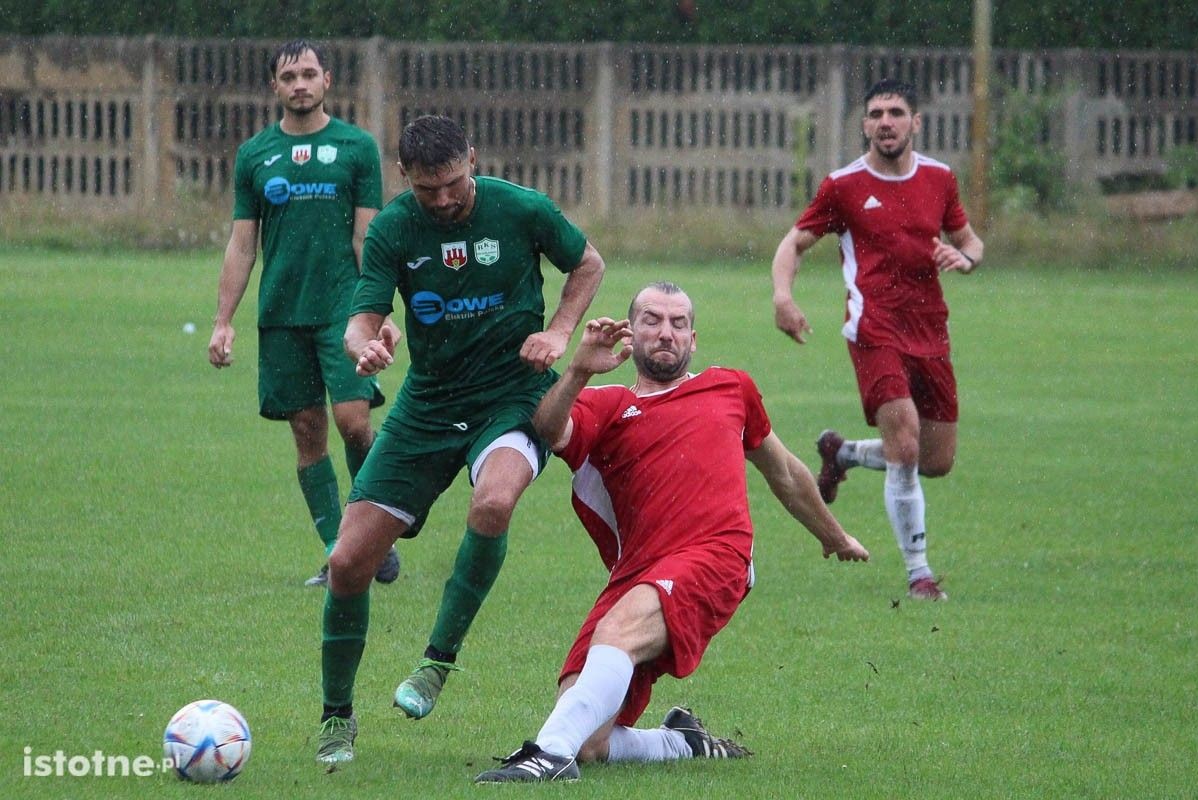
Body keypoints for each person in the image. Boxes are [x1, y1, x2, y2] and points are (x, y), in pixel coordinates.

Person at [474, 282, 868, 783]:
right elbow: (551, 430)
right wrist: (577, 371)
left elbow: (785, 471)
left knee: (611, 644)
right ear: (631, 334)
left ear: (693, 339)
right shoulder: (609, 404)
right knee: (590, 737)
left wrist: (833, 536)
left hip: (717, 554)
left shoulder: (730, 388)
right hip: (636, 573)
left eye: (678, 323)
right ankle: (682, 742)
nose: (666, 332)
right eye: (653, 320)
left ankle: (547, 756)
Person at [315, 114, 606, 765]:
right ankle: (336, 716)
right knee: (347, 563)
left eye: (453, 183)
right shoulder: (393, 228)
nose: (444, 199)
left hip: (512, 397)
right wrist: (366, 348)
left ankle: (436, 663)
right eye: (428, 189)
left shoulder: (520, 208)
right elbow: (361, 321)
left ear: (472, 158)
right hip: (428, 405)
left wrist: (560, 330)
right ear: (404, 177)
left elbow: (588, 262)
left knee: (494, 502)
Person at [770, 78, 984, 601]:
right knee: (905, 445)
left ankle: (841, 454)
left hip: (930, 330)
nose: (886, 121)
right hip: (874, 329)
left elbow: (970, 240)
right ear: (865, 125)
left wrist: (966, 258)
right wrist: (783, 297)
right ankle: (920, 575)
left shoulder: (939, 178)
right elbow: (794, 243)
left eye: (896, 112)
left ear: (916, 122)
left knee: (936, 460)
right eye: (876, 113)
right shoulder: (843, 186)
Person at [207, 39, 399, 588]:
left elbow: (368, 237)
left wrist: (380, 308)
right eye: (289, 76)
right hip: (282, 314)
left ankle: (374, 535)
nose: (300, 85)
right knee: (308, 430)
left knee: (354, 423)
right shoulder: (255, 155)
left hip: (344, 310)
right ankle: (340, 553)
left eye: (309, 74)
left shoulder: (356, 148)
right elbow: (243, 244)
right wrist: (223, 319)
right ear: (275, 86)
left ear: (327, 81)